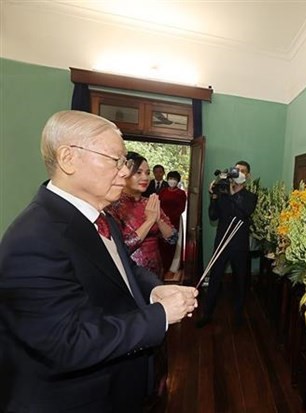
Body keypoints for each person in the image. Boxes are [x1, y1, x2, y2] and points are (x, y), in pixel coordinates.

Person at [0, 110, 198, 412]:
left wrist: (154, 291)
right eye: (115, 160)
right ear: (69, 158)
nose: (125, 172)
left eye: (125, 163)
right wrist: (159, 315)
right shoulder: (33, 238)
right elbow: (66, 343)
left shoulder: (99, 215)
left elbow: (122, 268)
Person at [196, 161, 257, 328]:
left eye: (242, 171)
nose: (238, 173)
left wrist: (231, 193)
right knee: (215, 278)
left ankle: (238, 316)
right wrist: (214, 197)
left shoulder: (251, 196)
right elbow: (213, 216)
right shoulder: (222, 193)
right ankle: (207, 314)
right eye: (236, 170)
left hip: (239, 246)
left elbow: (244, 212)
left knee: (240, 281)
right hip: (221, 242)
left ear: (248, 176)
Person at [106, 152, 177, 280]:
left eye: (147, 173)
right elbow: (121, 248)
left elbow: (172, 238)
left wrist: (158, 219)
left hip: (156, 270)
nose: (145, 177)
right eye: (138, 173)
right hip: (130, 272)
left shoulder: (150, 203)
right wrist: (149, 221)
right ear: (124, 173)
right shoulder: (112, 205)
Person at [159, 171, 187, 273]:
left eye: (174, 179)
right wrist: (162, 218)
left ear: (178, 181)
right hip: (161, 221)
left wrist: (171, 218)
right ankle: (163, 266)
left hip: (175, 221)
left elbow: (182, 208)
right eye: (170, 178)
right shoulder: (162, 192)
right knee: (162, 243)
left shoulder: (181, 193)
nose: (172, 181)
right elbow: (158, 204)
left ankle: (172, 266)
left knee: (172, 243)